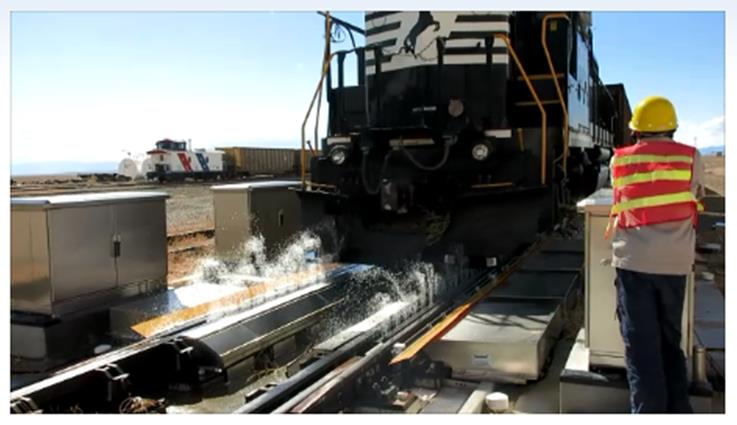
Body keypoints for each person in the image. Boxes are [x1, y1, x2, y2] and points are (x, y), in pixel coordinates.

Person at [607, 95, 705, 413]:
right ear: (673, 128)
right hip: (676, 265)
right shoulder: (693, 158)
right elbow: (694, 194)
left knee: (641, 349)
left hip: (634, 264)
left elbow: (622, 197)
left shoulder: (619, 160)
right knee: (669, 343)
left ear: (636, 131)